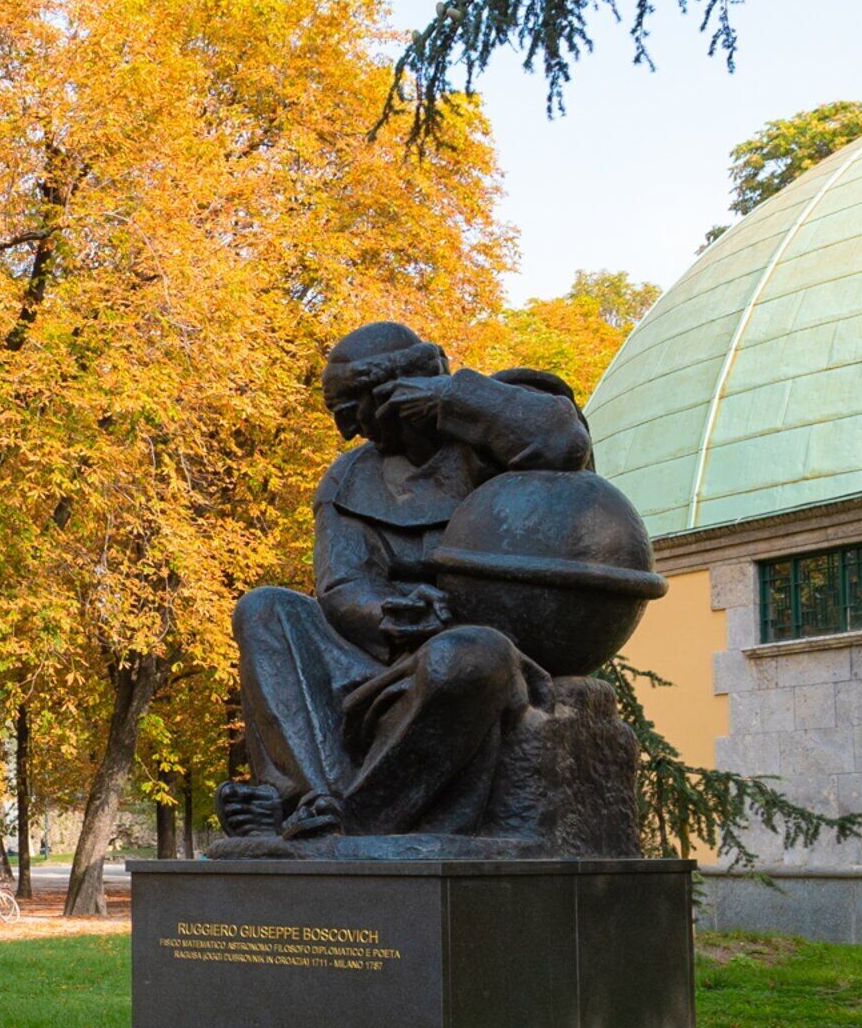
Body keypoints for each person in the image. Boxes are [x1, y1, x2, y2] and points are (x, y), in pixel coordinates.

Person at [221, 320, 593, 844]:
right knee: (265, 608)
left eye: (351, 412)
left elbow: (562, 443)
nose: (348, 433)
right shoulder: (349, 478)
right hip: (378, 655)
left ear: (398, 392)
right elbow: (341, 587)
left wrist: (452, 398)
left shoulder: (489, 437)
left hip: (485, 648)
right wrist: (389, 613)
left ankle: (352, 820)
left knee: (466, 655)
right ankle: (311, 799)